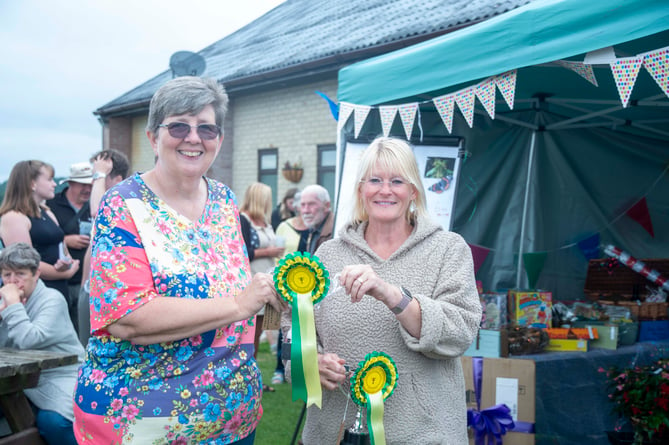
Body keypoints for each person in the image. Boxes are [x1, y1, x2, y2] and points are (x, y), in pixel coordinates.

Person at [72, 76, 286, 445]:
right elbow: (127, 318)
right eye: (178, 126)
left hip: (233, 420)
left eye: (207, 128)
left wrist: (266, 297)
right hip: (145, 425)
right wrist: (238, 305)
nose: (193, 138)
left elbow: (232, 286)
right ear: (153, 137)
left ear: (219, 139)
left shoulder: (222, 199)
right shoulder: (124, 205)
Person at [286, 137, 482, 444]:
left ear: (414, 191)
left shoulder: (448, 250)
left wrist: (393, 296)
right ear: (361, 190)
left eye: (397, 181)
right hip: (333, 431)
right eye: (375, 180)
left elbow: (461, 331)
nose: (385, 190)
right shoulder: (328, 255)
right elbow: (293, 329)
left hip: (423, 433)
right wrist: (306, 363)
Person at [0, 243, 85, 445]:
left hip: (61, 375)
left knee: (55, 422)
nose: (12, 282)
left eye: (20, 274)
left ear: (36, 273)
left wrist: (11, 307)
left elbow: (29, 340)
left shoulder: (52, 299)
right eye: (6, 275)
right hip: (19, 379)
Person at [0, 160, 79, 299]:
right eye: (49, 179)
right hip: (35, 296)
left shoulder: (47, 212)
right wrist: (66, 273)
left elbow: (62, 248)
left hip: (59, 289)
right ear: (32, 184)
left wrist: (67, 263)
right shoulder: (13, 217)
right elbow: (24, 264)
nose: (54, 184)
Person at [76, 148, 130, 346]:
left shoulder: (123, 200)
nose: (93, 183)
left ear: (116, 179)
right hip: (91, 290)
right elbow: (92, 249)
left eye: (98, 178)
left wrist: (100, 173)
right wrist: (84, 288)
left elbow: (97, 210)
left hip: (114, 295)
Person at [239, 182, 284, 392]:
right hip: (251, 284)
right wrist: (270, 252)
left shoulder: (265, 222)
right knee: (250, 335)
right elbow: (244, 251)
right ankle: (248, 380)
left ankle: (253, 378)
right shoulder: (243, 219)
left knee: (258, 334)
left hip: (267, 283)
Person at [46, 162, 94, 332]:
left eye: (91, 184)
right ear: (70, 183)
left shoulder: (95, 205)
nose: (88, 189)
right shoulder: (51, 204)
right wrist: (67, 240)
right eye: (83, 185)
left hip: (86, 282)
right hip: (60, 280)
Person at [297, 184, 334, 253]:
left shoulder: (335, 230)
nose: (306, 211)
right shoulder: (315, 228)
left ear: (326, 205)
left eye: (311, 204)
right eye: (302, 205)